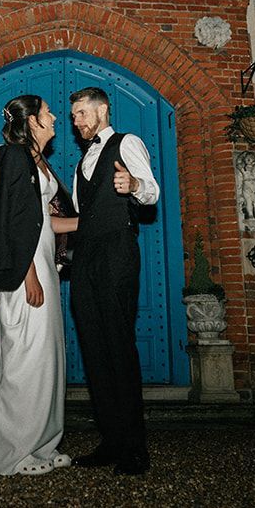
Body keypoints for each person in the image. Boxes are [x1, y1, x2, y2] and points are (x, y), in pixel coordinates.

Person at [0, 94, 77, 476]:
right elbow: (6, 219)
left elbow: (44, 222)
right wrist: (28, 275)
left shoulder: (40, 162)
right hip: (25, 272)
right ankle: (15, 451)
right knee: (23, 360)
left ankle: (41, 444)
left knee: (45, 361)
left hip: (44, 265)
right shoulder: (11, 157)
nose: (55, 116)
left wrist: (94, 220)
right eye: (47, 113)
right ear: (31, 122)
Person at [66, 86, 159, 475]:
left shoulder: (128, 142)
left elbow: (151, 192)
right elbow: (79, 216)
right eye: (73, 117)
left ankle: (135, 448)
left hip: (118, 252)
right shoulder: (80, 162)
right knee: (94, 347)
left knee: (119, 347)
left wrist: (133, 187)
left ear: (102, 110)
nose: (77, 122)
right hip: (84, 259)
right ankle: (111, 440)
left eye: (82, 114)